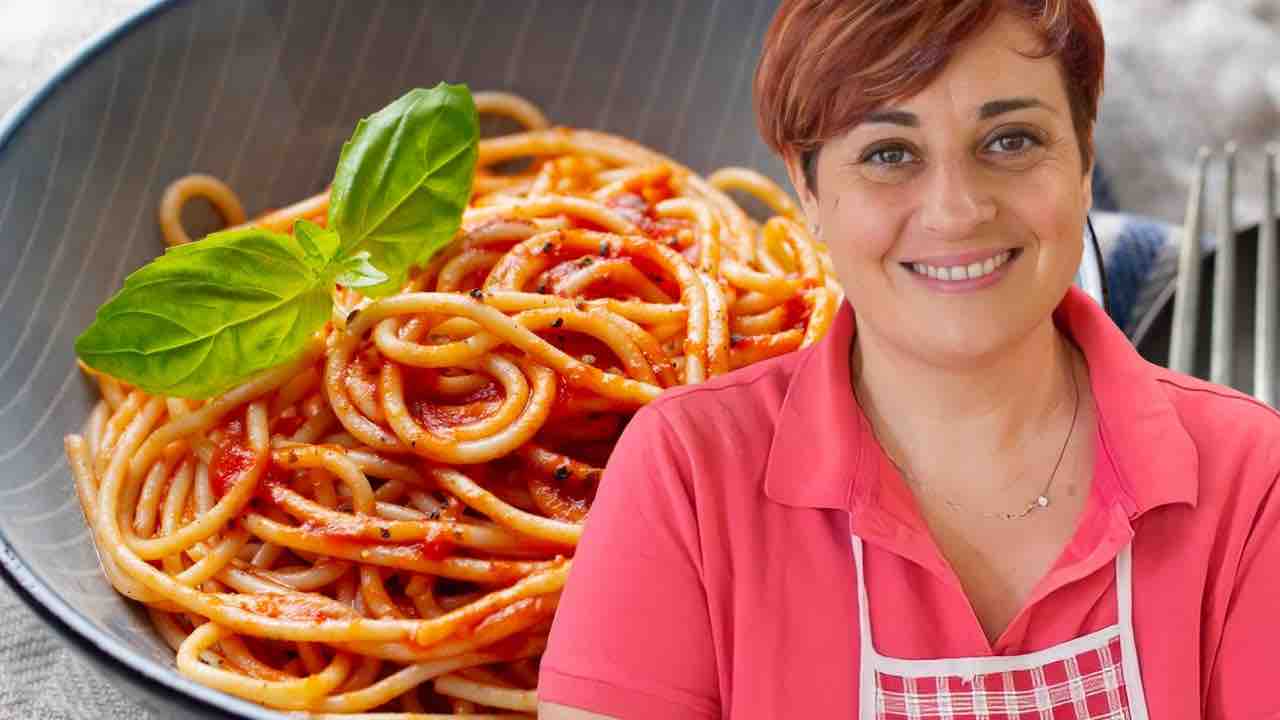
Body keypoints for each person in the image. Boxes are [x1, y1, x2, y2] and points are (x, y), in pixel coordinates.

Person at [537, 1, 1280, 717]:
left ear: (1085, 159)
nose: (957, 210)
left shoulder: (1251, 475)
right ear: (809, 189)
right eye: (889, 154)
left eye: (1012, 140)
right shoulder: (688, 475)